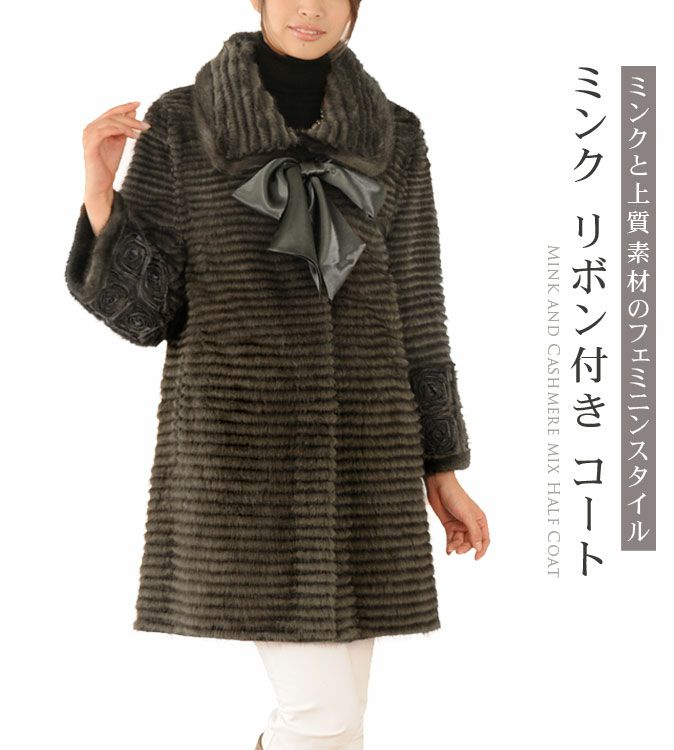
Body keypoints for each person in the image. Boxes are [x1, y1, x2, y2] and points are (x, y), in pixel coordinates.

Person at [65, 1, 490, 748]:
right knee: (324, 717)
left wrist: (442, 467)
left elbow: (420, 308)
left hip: (368, 462)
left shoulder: (396, 134)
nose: (310, 8)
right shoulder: (184, 122)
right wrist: (102, 195)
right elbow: (146, 315)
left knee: (340, 721)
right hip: (244, 460)